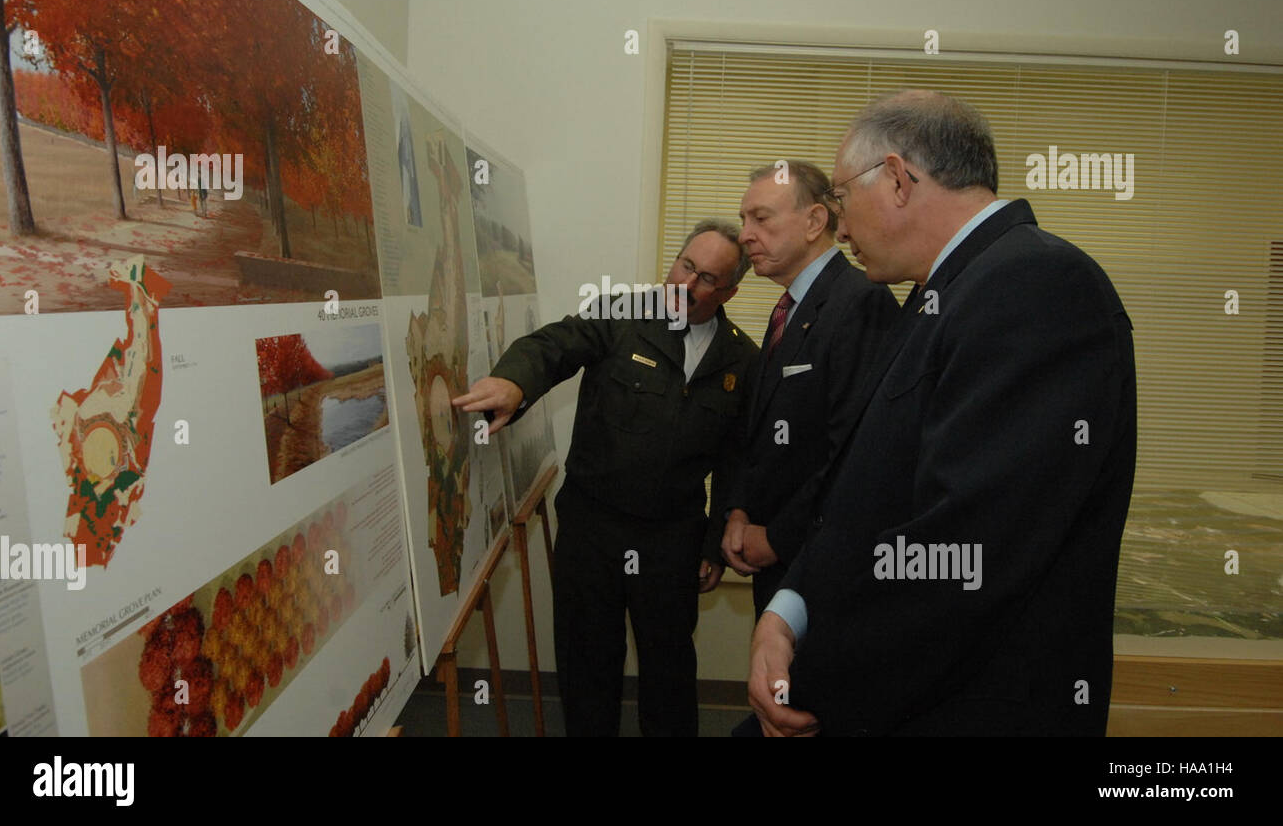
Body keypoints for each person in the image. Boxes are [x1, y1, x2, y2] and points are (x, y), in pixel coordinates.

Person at [749, 90, 1137, 736]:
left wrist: (807, 682)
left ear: (898, 179)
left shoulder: (1036, 286)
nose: (840, 230)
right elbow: (862, 489)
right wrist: (788, 609)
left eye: (843, 200)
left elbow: (963, 556)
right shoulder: (946, 291)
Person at [454, 220, 758, 736]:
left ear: (729, 289)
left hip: (672, 538)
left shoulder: (742, 358)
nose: (686, 285)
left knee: (670, 672)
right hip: (593, 528)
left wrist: (711, 544)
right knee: (588, 663)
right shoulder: (620, 313)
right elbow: (555, 346)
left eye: (707, 278)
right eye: (685, 266)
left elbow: (735, 463)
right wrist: (513, 382)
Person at [721, 161, 897, 618]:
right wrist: (739, 511)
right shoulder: (790, 307)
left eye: (761, 218)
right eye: (744, 221)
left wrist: (778, 538)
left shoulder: (859, 302)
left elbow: (856, 454)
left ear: (815, 221)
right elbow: (761, 434)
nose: (744, 235)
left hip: (819, 569)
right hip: (777, 559)